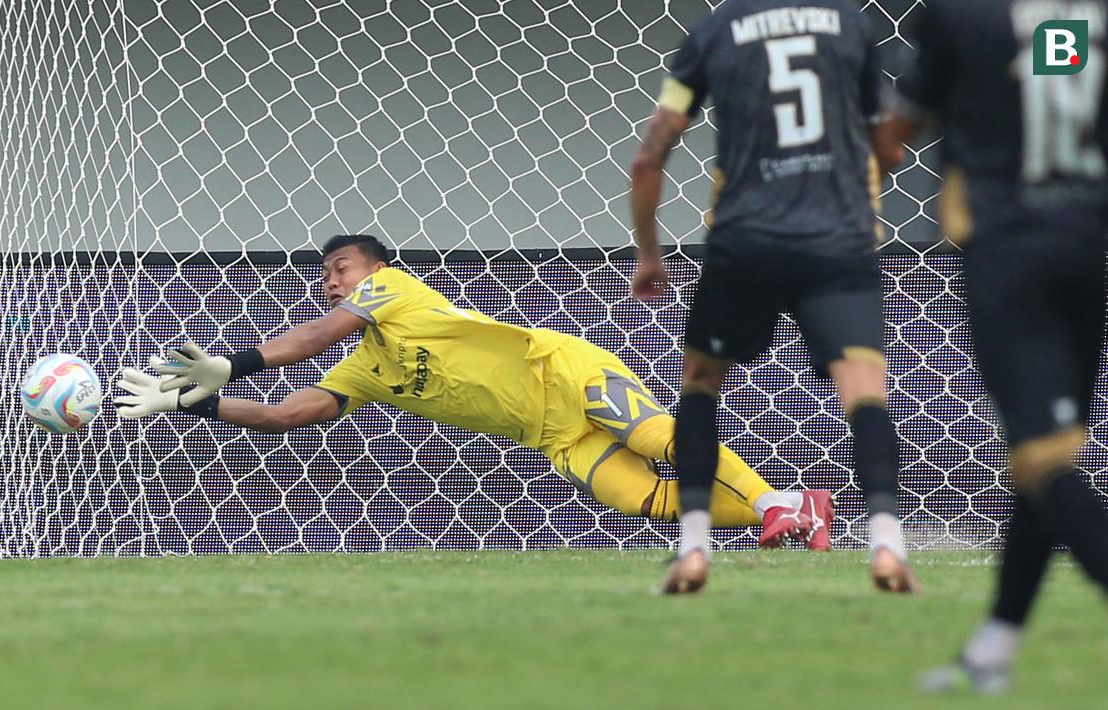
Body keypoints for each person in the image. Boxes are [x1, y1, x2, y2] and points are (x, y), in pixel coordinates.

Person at [116, 234, 833, 548]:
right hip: (550, 434)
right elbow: (287, 415)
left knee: (651, 436)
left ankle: (770, 503)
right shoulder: (367, 366)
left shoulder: (391, 290)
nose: (331, 281)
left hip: (563, 371)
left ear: (371, 268)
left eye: (339, 267)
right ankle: (799, 511)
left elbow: (311, 338)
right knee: (638, 498)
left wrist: (232, 361)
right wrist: (196, 403)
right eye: (326, 275)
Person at [628, 0, 917, 592]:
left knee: (701, 382)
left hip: (745, 241)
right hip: (838, 242)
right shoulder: (851, 24)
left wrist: (650, 253)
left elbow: (649, 155)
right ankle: (887, 544)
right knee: (864, 388)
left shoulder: (712, 31)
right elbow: (884, 142)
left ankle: (694, 549)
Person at [890, 0, 1108, 692]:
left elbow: (899, 128)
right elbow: (1048, 93)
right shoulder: (1070, 21)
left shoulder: (959, 15)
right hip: (1082, 244)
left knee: (1042, 457)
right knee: (1039, 455)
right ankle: (993, 648)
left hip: (1008, 253)